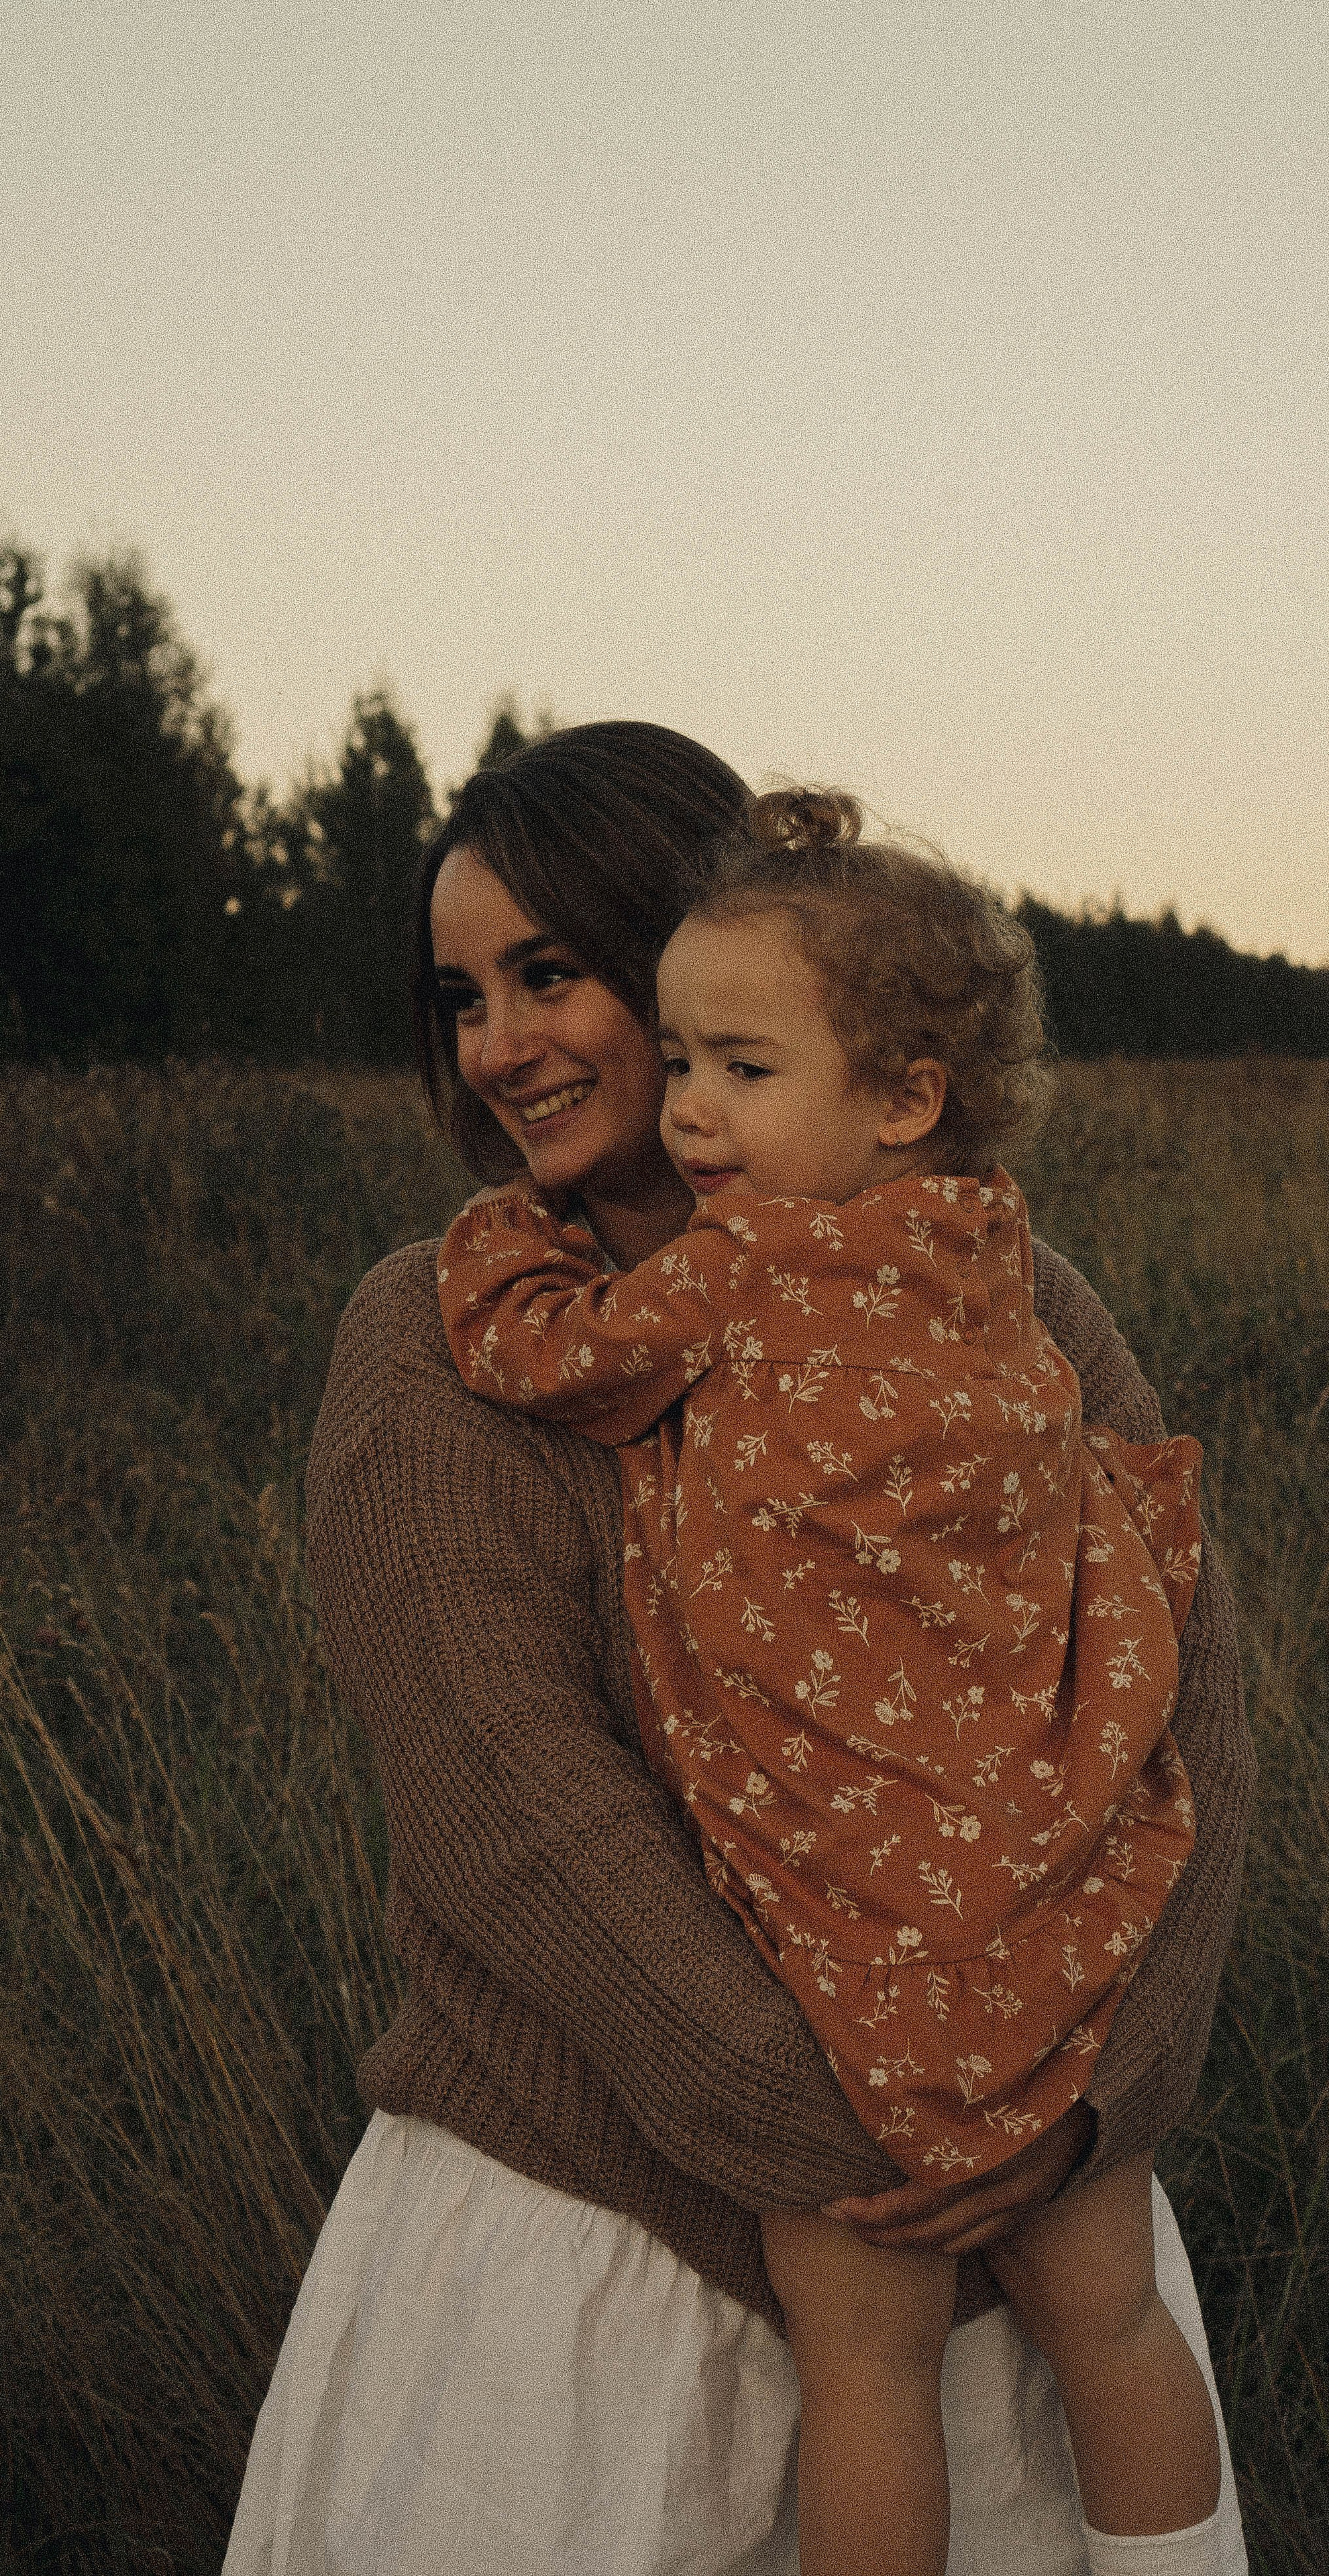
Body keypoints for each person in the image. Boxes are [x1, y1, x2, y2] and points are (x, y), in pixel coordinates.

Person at [223, 723, 1255, 2576]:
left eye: (550, 972)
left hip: (1027, 2203)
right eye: (460, 997)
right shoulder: (440, 1339)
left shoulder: (999, 1282)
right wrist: (873, 2134)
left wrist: (1090, 2104)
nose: (499, 1042)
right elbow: (514, 1818)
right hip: (602, 2282)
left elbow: (1181, 1702)